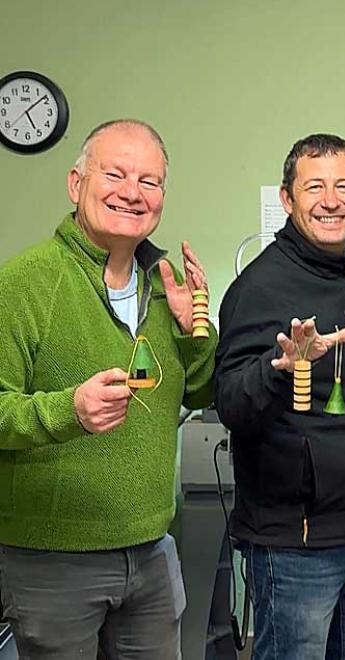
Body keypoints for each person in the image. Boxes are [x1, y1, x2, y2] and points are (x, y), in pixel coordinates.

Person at [0, 119, 217, 659]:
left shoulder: (164, 285)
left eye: (150, 181)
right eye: (115, 174)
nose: (132, 192)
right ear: (76, 185)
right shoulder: (24, 283)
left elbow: (199, 394)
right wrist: (66, 409)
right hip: (54, 558)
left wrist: (197, 333)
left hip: (151, 549)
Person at [215, 133, 345, 660]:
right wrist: (282, 370)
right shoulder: (259, 287)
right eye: (314, 186)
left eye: (344, 186)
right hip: (294, 548)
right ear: (286, 199)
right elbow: (230, 402)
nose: (330, 200)